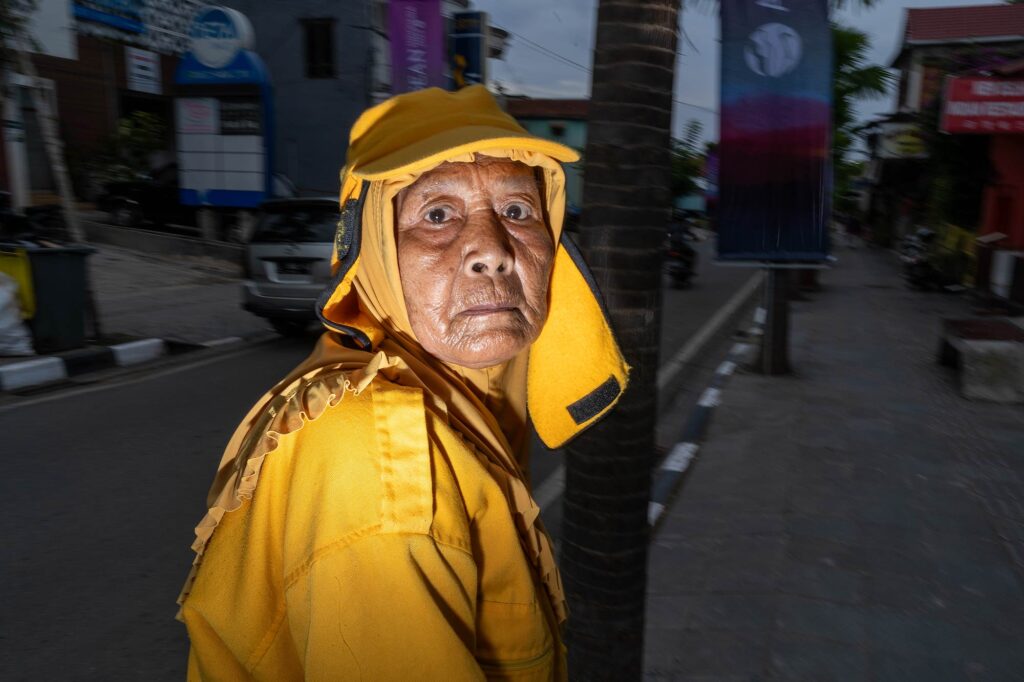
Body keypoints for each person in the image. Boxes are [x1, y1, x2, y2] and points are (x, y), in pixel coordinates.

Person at [177, 85, 629, 681]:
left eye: (518, 211)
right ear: (371, 254)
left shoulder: (465, 407)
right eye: (437, 215)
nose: (491, 250)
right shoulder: (382, 459)